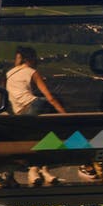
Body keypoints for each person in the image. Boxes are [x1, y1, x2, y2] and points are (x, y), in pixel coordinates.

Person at [5, 46, 65, 185]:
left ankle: (39, 170)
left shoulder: (9, 73)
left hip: (19, 112)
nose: (37, 61)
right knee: (49, 134)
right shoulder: (31, 72)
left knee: (40, 137)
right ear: (30, 59)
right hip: (34, 106)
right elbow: (49, 97)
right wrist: (65, 115)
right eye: (35, 58)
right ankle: (40, 170)